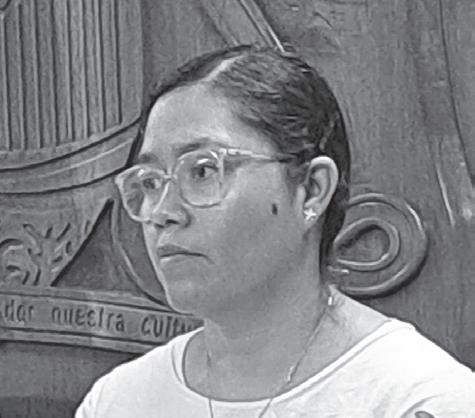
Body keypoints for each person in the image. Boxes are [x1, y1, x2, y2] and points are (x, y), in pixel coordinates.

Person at [75, 45, 475, 418]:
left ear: (311, 190)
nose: (162, 213)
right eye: (149, 182)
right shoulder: (118, 401)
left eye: (202, 171)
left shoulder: (419, 400)